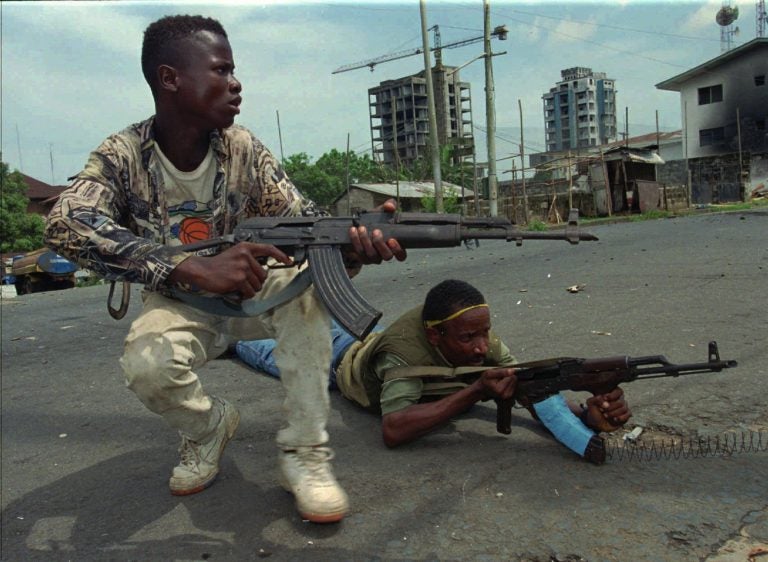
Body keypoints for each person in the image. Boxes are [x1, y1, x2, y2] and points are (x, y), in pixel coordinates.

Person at [44, 14, 405, 524]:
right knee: (148, 366)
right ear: (170, 79)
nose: (236, 84)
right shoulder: (123, 155)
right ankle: (208, 427)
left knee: (308, 296)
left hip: (260, 291)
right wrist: (192, 269)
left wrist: (352, 248)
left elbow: (307, 228)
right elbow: (66, 223)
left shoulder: (243, 148)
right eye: (221, 70)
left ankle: (305, 454)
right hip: (181, 300)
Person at [235, 279, 631, 460]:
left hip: (376, 338)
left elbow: (531, 389)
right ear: (435, 335)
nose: (481, 347)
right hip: (341, 364)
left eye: (485, 333)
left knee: (323, 313)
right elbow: (394, 429)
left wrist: (584, 418)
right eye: (467, 338)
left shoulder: (479, 341)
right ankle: (229, 330)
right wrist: (475, 393)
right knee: (270, 348)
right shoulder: (403, 357)